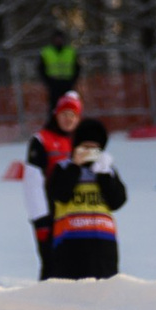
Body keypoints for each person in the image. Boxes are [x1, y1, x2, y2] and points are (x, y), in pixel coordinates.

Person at [40, 117, 126, 281]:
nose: (89, 153)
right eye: (85, 148)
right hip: (70, 246)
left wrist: (104, 174)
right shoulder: (63, 168)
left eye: (94, 149)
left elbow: (117, 201)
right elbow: (60, 194)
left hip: (103, 247)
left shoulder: (106, 171)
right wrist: (75, 166)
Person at [23, 90, 86, 276]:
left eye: (73, 115)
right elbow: (32, 183)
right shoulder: (42, 140)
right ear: (56, 115)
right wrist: (40, 219)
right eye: (64, 114)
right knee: (52, 265)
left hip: (76, 214)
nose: (68, 119)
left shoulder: (81, 141)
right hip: (50, 215)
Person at [38, 30, 78, 119]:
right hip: (53, 83)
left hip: (67, 83)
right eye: (56, 38)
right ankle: (54, 123)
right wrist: (48, 82)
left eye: (60, 38)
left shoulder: (70, 51)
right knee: (54, 106)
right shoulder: (47, 52)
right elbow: (41, 68)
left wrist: (72, 81)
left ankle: (69, 122)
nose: (58, 40)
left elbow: (77, 67)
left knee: (69, 105)